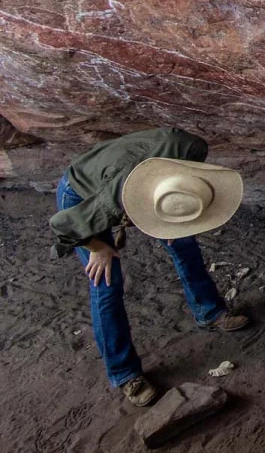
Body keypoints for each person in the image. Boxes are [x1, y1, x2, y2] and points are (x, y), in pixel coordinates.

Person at [50, 127, 250, 407]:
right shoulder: (111, 201)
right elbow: (62, 227)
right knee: (106, 281)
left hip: (137, 178)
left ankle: (209, 311)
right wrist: (96, 247)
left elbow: (179, 176)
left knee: (183, 243)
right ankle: (124, 374)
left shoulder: (192, 150)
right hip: (81, 200)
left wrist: (171, 219)